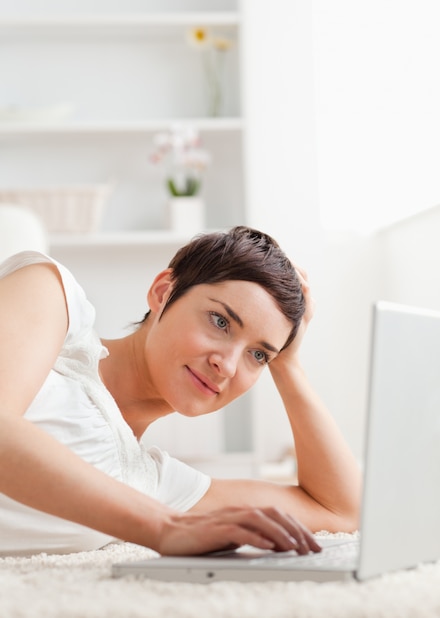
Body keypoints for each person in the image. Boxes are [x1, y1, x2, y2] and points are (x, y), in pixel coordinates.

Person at [0, 226, 361, 557]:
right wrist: (163, 527)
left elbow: (340, 511)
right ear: (163, 292)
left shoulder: (152, 485)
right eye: (220, 321)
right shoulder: (50, 295)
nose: (229, 365)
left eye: (257, 355)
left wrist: (288, 363)